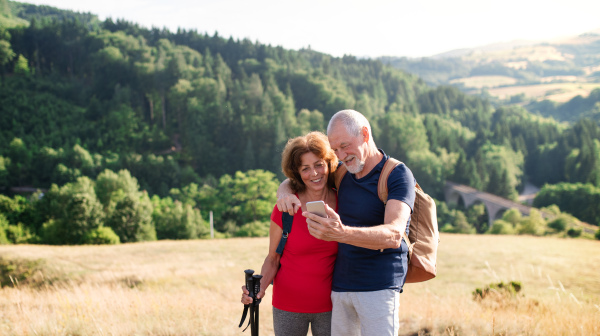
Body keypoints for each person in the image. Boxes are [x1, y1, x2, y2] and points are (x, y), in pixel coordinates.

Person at [276, 109, 416, 336]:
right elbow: (307, 176)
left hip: (379, 287)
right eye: (335, 149)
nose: (341, 155)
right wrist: (283, 190)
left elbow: (393, 235)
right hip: (340, 288)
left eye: (345, 145)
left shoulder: (397, 175)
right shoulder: (344, 171)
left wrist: (341, 234)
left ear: (364, 133)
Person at [241, 131, 339, 336]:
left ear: (329, 164)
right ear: (297, 173)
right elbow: (273, 258)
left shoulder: (343, 203)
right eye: (306, 168)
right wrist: (259, 289)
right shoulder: (285, 208)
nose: (314, 173)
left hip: (333, 306)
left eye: (319, 164)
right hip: (288, 306)